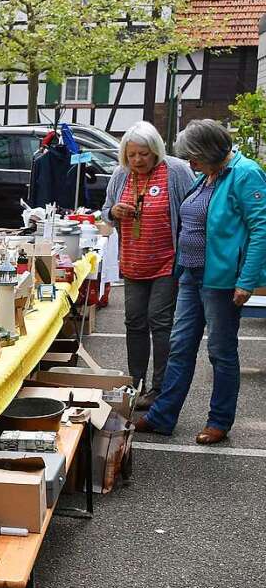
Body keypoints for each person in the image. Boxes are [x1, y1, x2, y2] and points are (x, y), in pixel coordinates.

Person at [135, 120, 266, 444]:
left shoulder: (245, 173)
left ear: (210, 151)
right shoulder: (206, 175)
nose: (189, 164)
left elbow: (261, 228)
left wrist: (246, 281)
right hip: (192, 276)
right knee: (179, 348)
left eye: (194, 157)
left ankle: (219, 421)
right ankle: (163, 417)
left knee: (220, 352)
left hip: (221, 281)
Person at [100, 121, 195, 409]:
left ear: (156, 151)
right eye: (132, 155)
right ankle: (136, 383)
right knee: (134, 322)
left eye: (144, 154)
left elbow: (192, 208)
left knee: (160, 321)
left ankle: (160, 388)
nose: (138, 160)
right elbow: (106, 211)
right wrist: (114, 212)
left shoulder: (175, 170)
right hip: (133, 262)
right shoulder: (121, 175)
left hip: (167, 261)